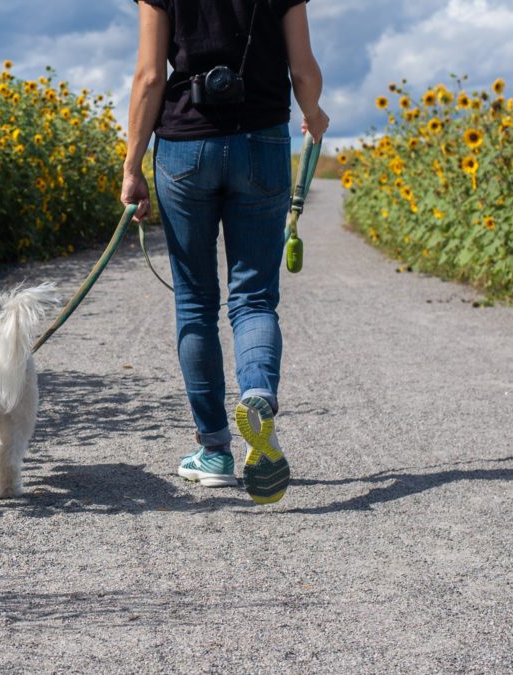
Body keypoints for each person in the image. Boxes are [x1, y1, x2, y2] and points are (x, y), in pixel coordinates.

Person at [121, 0, 329, 504]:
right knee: (254, 298)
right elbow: (302, 68)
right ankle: (257, 394)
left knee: (194, 301)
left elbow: (150, 76)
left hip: (184, 145)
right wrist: (314, 112)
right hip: (262, 140)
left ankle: (214, 452)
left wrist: (132, 165)